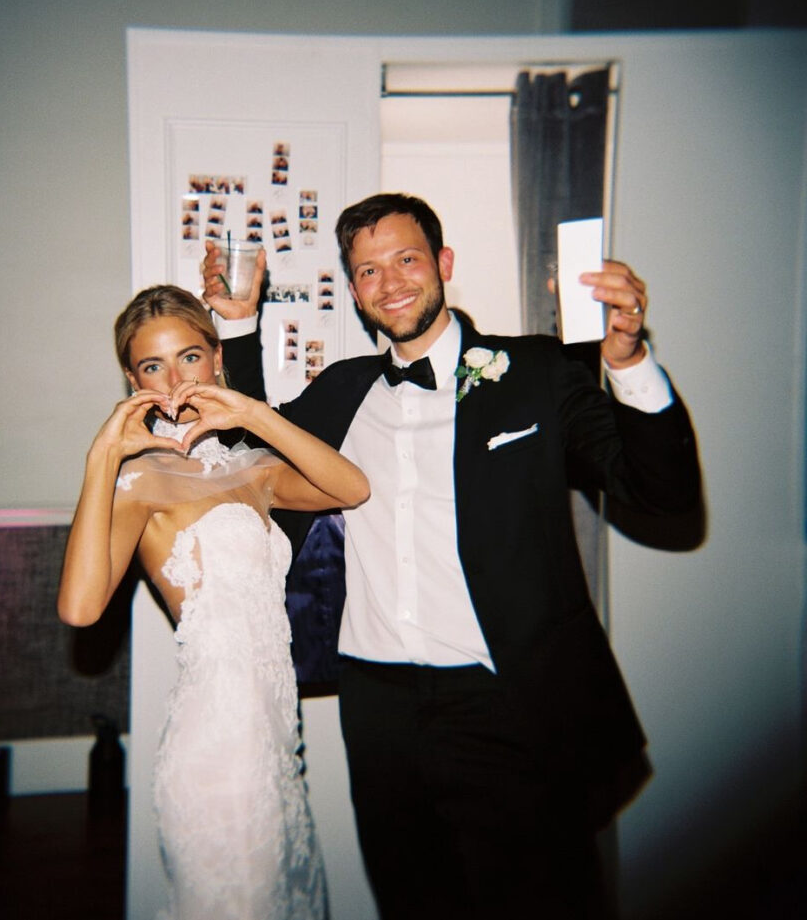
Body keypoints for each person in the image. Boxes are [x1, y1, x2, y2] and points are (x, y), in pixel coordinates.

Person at [201, 193, 702, 919]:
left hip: (504, 700)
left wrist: (627, 361)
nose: (391, 282)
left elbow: (662, 492)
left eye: (406, 258)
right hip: (378, 712)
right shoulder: (345, 387)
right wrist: (239, 321)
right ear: (353, 290)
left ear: (443, 264)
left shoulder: (536, 370)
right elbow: (254, 452)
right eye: (367, 271)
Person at [57, 285, 369, 920]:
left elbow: (353, 487)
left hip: (277, 742)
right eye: (153, 366)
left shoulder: (252, 469)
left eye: (190, 358)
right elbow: (81, 610)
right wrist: (101, 462)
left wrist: (253, 415)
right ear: (132, 378)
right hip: (218, 749)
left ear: (216, 357)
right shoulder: (138, 483)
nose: (175, 381)